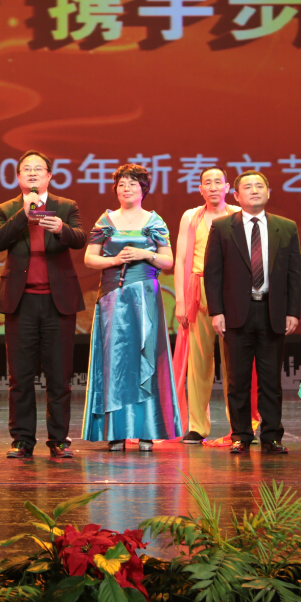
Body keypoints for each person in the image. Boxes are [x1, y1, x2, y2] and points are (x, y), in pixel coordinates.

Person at [0, 150, 88, 459]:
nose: (32, 173)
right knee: (20, 377)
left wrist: (61, 229)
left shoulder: (66, 206)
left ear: (49, 176)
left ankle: (59, 440)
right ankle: (22, 440)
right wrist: (23, 213)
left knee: (59, 377)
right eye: (26, 169)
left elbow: (80, 238)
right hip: (20, 303)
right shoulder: (6, 209)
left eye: (39, 169)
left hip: (58, 302)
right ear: (18, 177)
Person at [80, 164, 180, 451]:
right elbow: (89, 258)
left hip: (145, 296)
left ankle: (147, 430)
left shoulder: (154, 220)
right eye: (122, 184)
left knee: (146, 357)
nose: (126, 189)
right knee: (115, 361)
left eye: (132, 184)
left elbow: (167, 261)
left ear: (143, 189)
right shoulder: (106, 220)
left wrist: (144, 254)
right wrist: (115, 260)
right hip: (113, 296)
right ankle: (116, 431)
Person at [202, 170, 301, 455]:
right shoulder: (223, 227)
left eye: (260, 186)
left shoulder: (286, 227)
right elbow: (213, 273)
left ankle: (271, 436)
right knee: (238, 380)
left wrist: (293, 311)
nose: (255, 190)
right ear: (236, 195)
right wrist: (216, 311)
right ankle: (241, 435)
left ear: (269, 193)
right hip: (236, 313)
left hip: (272, 311)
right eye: (248, 187)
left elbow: (294, 273)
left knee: (271, 380)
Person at [171, 165, 240, 444]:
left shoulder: (238, 214)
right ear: (200, 189)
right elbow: (181, 260)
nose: (213, 187)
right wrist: (180, 301)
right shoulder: (191, 216)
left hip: (231, 293)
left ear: (227, 188)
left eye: (218, 182)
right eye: (207, 183)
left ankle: (240, 426)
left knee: (234, 362)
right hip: (198, 292)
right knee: (199, 362)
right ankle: (198, 426)